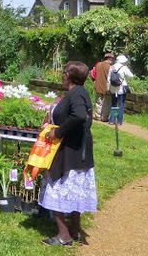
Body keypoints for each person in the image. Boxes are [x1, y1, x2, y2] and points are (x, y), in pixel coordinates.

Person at [40, 61, 97, 246]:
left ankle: (64, 235)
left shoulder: (76, 93)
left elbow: (80, 116)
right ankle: (74, 230)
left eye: (63, 72)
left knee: (56, 187)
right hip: (76, 150)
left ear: (69, 75)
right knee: (73, 190)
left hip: (70, 151)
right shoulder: (79, 92)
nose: (61, 75)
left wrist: (58, 131)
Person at [108, 54, 134, 125]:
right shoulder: (124, 68)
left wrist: (108, 88)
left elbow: (108, 79)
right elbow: (131, 76)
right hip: (121, 88)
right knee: (121, 104)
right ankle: (119, 121)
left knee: (113, 104)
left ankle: (112, 120)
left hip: (113, 88)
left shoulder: (112, 67)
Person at [93, 52, 114, 122]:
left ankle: (97, 116)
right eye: (112, 60)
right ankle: (104, 118)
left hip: (98, 86)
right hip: (106, 88)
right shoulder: (110, 67)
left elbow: (93, 74)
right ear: (109, 59)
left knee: (99, 102)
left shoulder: (98, 65)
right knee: (106, 103)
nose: (112, 61)